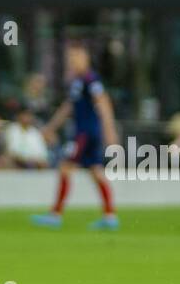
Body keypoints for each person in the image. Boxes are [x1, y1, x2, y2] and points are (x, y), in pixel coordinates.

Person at [31, 43, 120, 231]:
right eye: (71, 58)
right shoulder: (78, 82)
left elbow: (103, 102)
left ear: (85, 58)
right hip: (86, 133)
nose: (73, 61)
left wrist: (109, 130)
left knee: (65, 167)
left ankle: (55, 214)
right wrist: (52, 127)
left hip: (85, 133)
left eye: (76, 57)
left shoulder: (90, 79)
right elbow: (68, 107)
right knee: (96, 171)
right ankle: (109, 216)